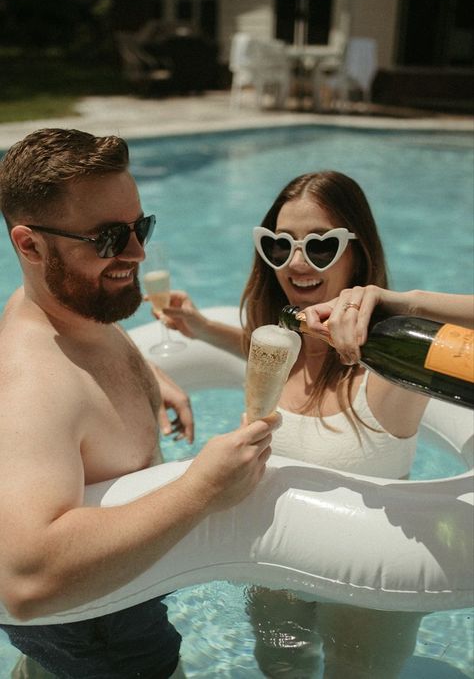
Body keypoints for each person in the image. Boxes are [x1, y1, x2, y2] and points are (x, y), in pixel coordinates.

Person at [157, 170, 473, 678]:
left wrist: (400, 302)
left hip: (370, 589)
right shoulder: (281, 346)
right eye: (279, 247)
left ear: (357, 252)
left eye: (321, 246)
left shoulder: (390, 370)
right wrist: (200, 328)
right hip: (273, 571)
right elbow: (253, 346)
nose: (297, 263)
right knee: (279, 668)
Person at [0, 128, 280, 679]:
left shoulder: (62, 308)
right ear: (30, 246)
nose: (137, 251)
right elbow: (24, 583)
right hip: (101, 634)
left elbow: (81, 347)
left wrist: (148, 377)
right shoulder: (33, 387)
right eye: (108, 238)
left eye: (139, 226)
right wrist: (202, 489)